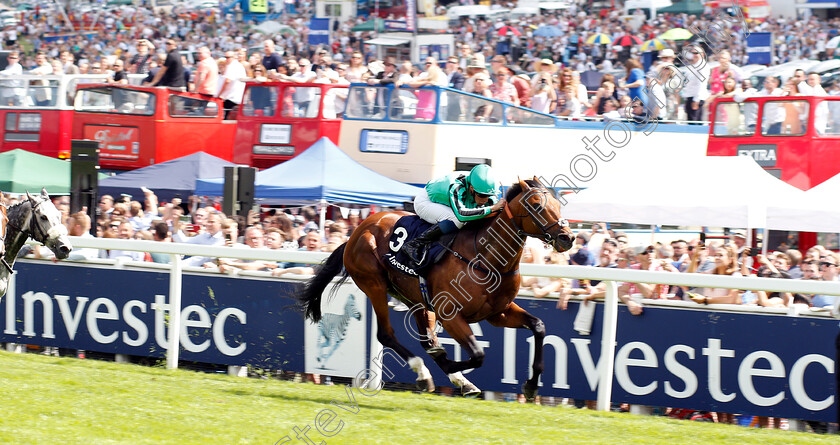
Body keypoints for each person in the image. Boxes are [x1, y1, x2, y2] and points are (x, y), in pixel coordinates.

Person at [402, 164, 505, 264]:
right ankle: (414, 244)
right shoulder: (456, 186)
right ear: (472, 188)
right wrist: (491, 208)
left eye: (488, 195)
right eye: (482, 195)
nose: (485, 199)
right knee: (457, 220)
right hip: (426, 201)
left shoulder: (483, 187)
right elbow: (462, 215)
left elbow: (494, 207)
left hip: (446, 202)